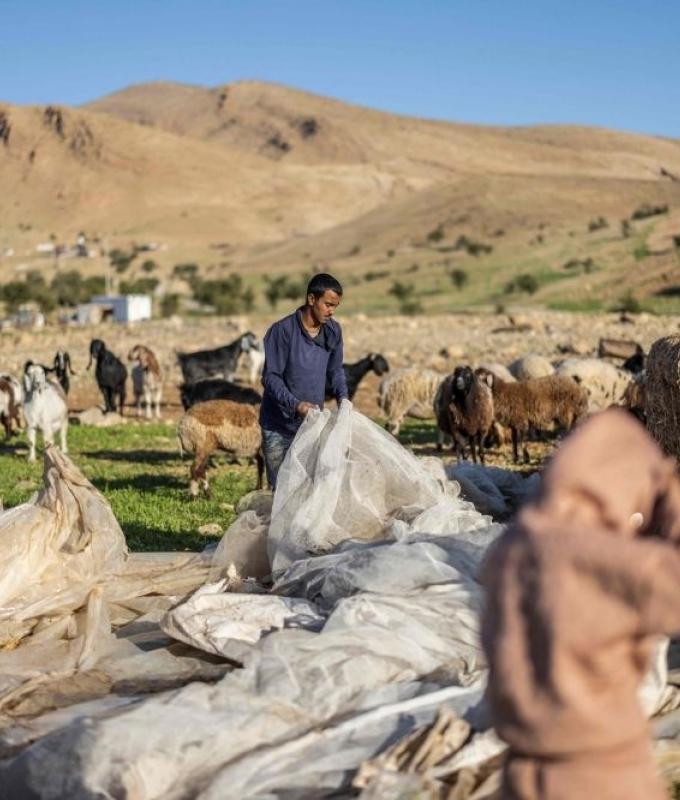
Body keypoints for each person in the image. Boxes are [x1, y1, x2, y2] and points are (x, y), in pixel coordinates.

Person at [481, 408, 680, 800]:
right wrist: (671, 503)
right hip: (603, 774)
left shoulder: (510, 550)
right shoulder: (609, 564)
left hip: (523, 770)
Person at [259, 273, 348, 489]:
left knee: (310, 488)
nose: (331, 311)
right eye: (327, 304)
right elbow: (270, 377)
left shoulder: (333, 331)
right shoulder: (282, 331)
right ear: (311, 299)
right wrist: (296, 405)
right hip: (278, 426)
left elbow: (335, 370)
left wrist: (344, 398)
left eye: (335, 306)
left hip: (311, 424)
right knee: (280, 490)